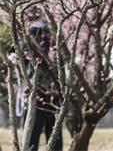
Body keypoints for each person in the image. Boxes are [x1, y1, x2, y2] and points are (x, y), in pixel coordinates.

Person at [22, 16, 62, 151]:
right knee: (54, 134)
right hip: (54, 89)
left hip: (36, 88)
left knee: (32, 134)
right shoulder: (54, 34)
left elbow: (22, 59)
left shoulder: (30, 34)